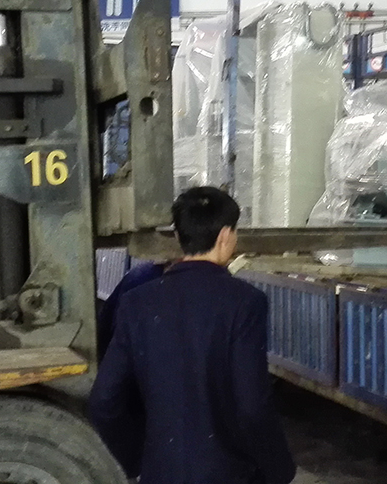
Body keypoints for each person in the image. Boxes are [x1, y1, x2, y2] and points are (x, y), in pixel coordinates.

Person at [89, 186, 296, 484]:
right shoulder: (245, 302)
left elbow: (103, 401)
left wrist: (136, 460)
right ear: (226, 235)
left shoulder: (137, 303)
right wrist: (279, 470)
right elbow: (252, 407)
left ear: (178, 236)